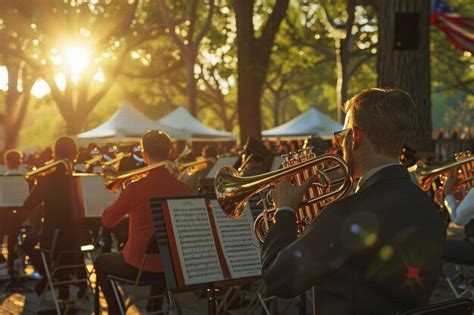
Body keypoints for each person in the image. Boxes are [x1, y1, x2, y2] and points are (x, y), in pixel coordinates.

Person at [261, 88, 446, 315]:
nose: (339, 145)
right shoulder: (427, 206)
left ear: (355, 137)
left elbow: (277, 280)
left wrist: (285, 210)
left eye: (341, 136)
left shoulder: (344, 214)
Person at [94, 130, 190, 313]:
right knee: (163, 249)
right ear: (169, 153)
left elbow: (107, 221)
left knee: (100, 262)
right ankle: (155, 306)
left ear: (144, 153)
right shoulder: (183, 188)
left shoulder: (135, 188)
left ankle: (116, 310)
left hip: (138, 265)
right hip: (172, 268)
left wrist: (125, 196)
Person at [22, 136, 89, 299]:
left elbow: (28, 205)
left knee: (27, 242)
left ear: (54, 155)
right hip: (82, 240)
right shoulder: (83, 179)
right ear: (75, 155)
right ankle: (74, 282)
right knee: (70, 251)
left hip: (53, 238)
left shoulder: (47, 179)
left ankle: (48, 277)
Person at [0, 150, 24, 275]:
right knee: (14, 236)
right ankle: (15, 260)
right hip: (21, 218)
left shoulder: (2, 180)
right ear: (20, 161)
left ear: (6, 162)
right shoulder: (25, 178)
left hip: (4, 220)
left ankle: (5, 261)